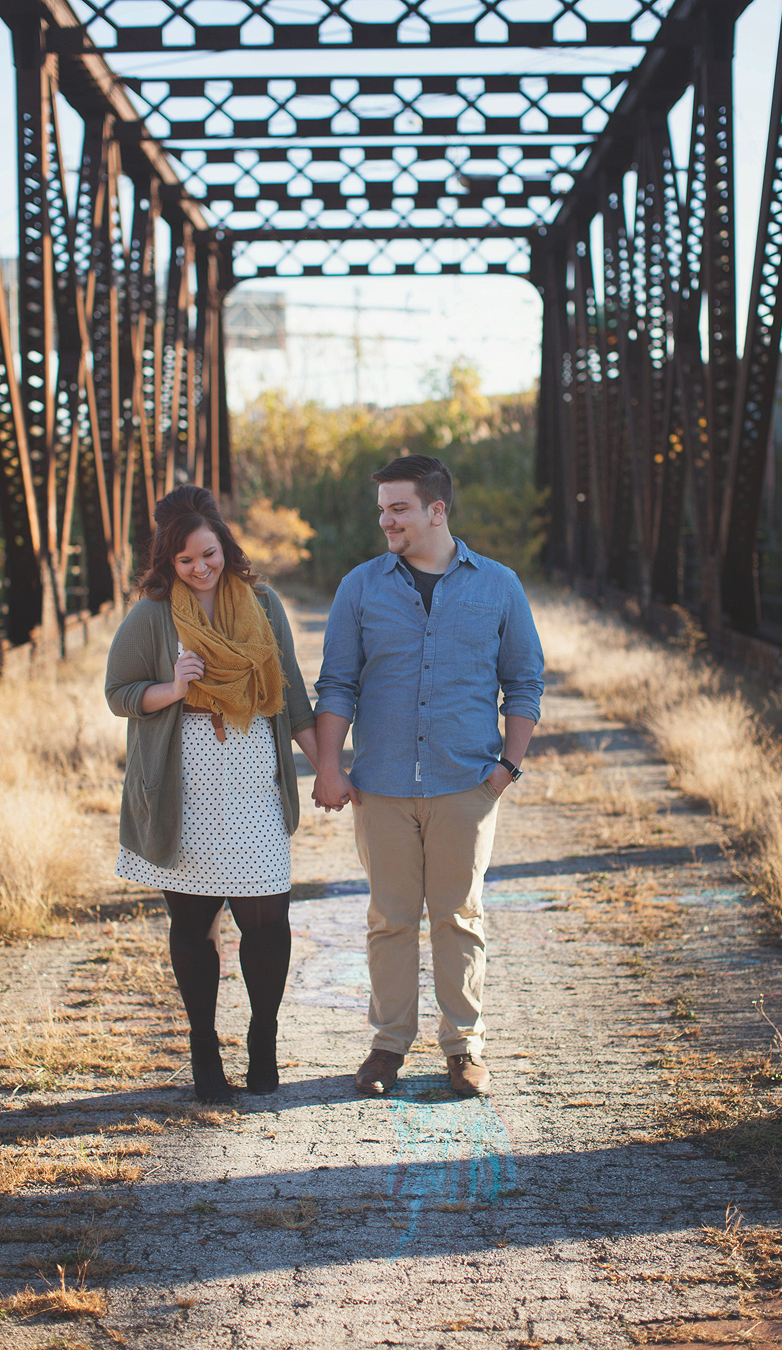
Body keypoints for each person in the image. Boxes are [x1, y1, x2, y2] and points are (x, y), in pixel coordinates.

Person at [312, 455, 544, 1098]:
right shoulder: (360, 586)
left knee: (459, 917)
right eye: (382, 508)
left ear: (436, 511)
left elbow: (523, 683)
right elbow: (337, 684)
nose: (385, 519)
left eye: (398, 508)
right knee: (389, 919)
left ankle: (464, 1048)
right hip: (380, 787)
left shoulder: (498, 585)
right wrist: (329, 768)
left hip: (465, 784)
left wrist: (505, 768)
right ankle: (387, 1046)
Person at [105, 485, 318, 1103]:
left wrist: (327, 768)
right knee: (194, 922)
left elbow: (293, 695)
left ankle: (263, 1036)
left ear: (224, 543)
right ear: (168, 564)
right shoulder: (151, 616)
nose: (201, 568)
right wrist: (172, 689)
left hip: (253, 776)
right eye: (186, 561)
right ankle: (203, 1045)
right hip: (182, 785)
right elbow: (120, 694)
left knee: (267, 918)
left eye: (209, 553)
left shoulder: (263, 604)